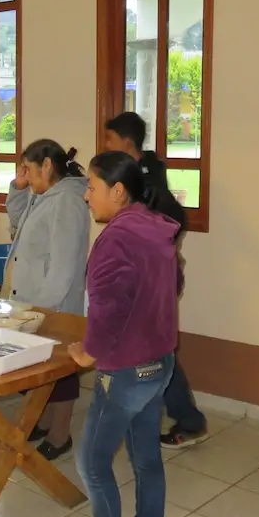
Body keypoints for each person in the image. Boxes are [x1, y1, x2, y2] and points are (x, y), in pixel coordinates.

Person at [63, 151, 181, 517]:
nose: (86, 196)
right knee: (147, 460)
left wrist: (88, 354)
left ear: (118, 190)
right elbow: (163, 293)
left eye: (91, 187)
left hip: (128, 371)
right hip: (160, 362)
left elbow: (109, 311)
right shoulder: (155, 227)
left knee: (92, 462)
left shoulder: (115, 239)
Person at [104, 111, 206, 447]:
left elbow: (171, 219)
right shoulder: (143, 171)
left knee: (155, 348)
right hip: (147, 272)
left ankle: (189, 421)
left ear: (127, 142)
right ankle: (181, 418)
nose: (106, 144)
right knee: (153, 346)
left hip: (151, 275)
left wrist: (166, 255)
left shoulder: (147, 177)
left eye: (110, 139)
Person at [4, 140, 89, 460]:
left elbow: (64, 265)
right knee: (39, 366)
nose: (26, 174)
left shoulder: (66, 202)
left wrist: (44, 309)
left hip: (53, 303)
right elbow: (16, 220)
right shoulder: (42, 196)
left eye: (29, 168)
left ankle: (60, 434)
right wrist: (19, 185)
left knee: (60, 371)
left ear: (48, 166)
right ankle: (44, 421)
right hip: (31, 302)